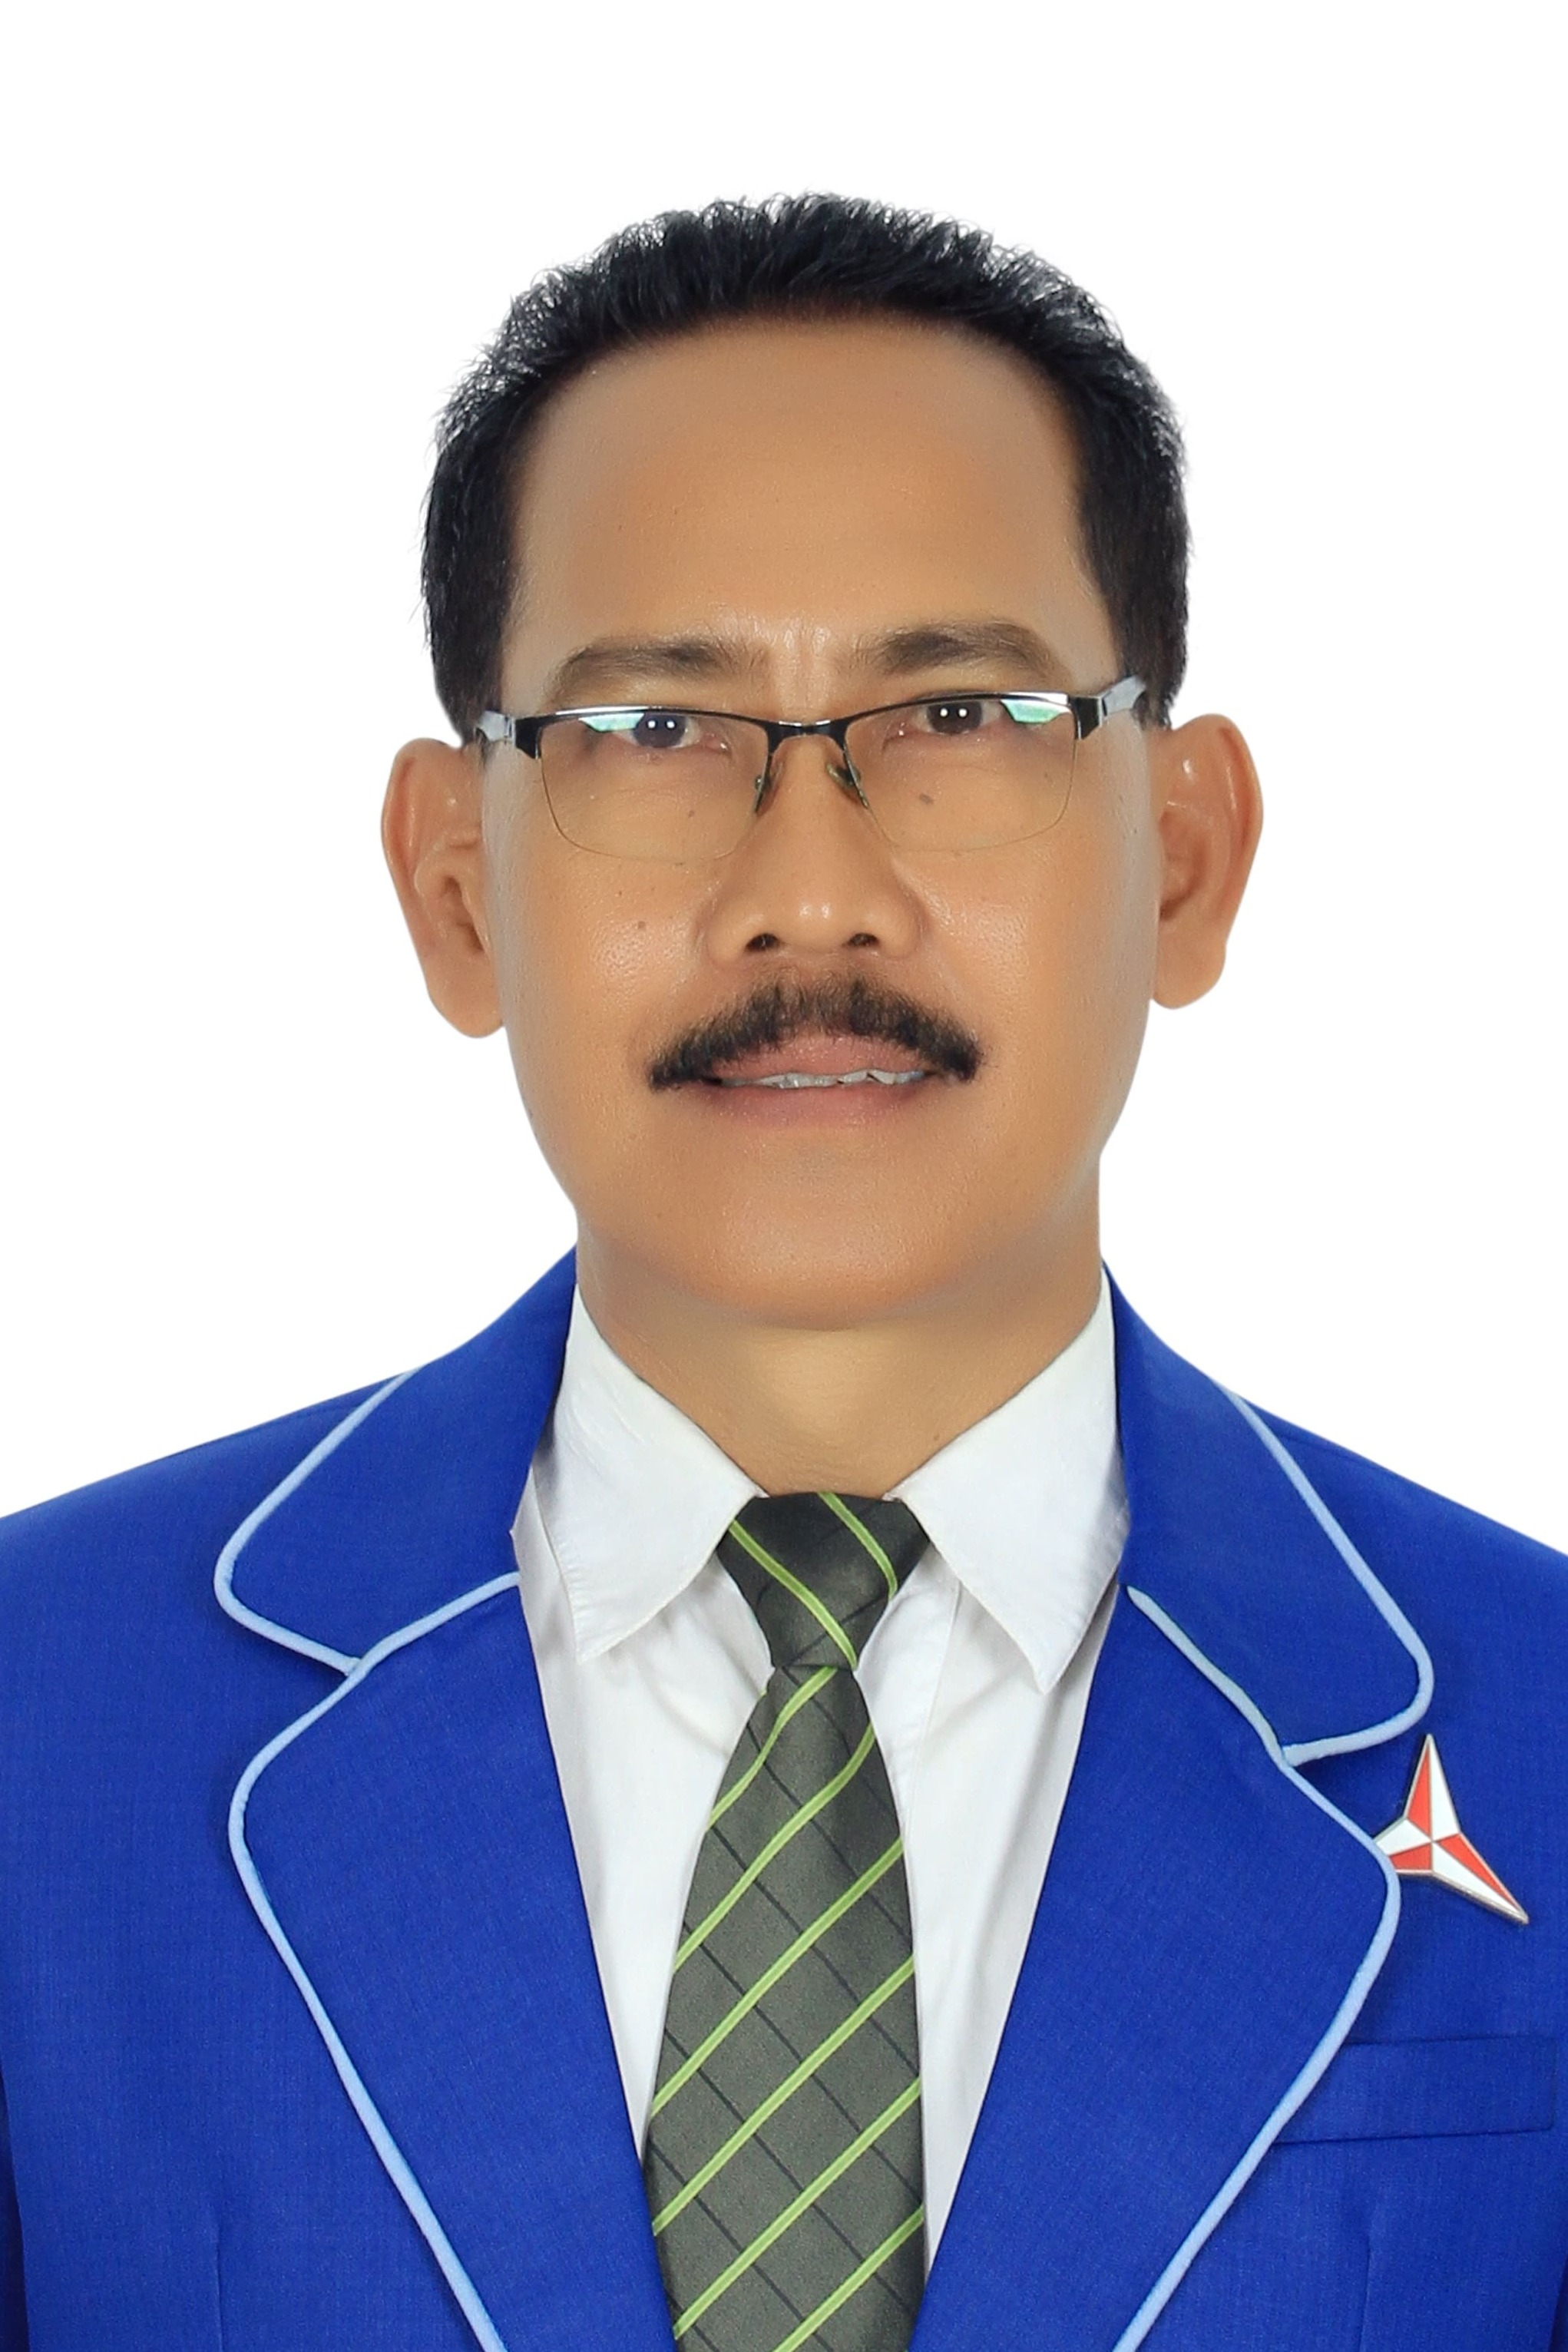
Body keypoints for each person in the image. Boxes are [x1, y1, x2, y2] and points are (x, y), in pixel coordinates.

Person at [0, 194, 1563, 2352]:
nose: (809, 894)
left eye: (962, 715)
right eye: (655, 732)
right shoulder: (40, 1714)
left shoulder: (1538, 1717)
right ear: (456, 891)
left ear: (1185, 861)